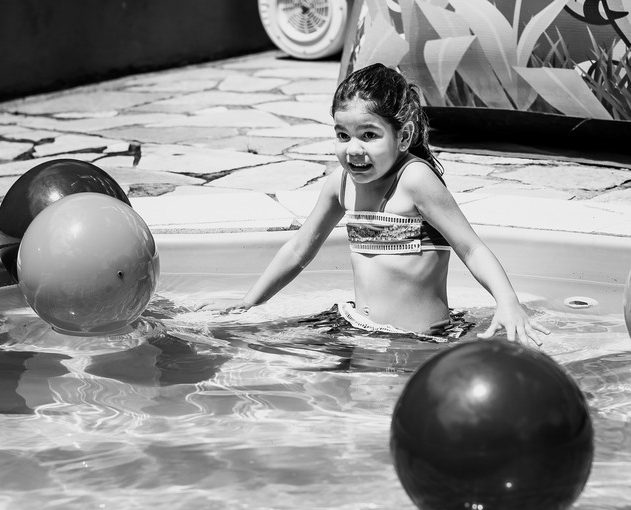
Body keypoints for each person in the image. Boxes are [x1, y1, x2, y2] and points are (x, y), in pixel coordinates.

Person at [222, 63, 549, 347]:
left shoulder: (414, 181)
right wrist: (249, 302)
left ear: (403, 137)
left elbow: (471, 248)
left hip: (417, 338)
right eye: (342, 135)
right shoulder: (341, 183)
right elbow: (298, 251)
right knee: (245, 341)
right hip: (357, 326)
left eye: (369, 135)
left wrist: (507, 302)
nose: (353, 149)